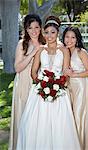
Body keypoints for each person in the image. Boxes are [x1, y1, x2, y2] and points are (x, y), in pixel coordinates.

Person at [16, 16, 81, 150]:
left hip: (59, 92)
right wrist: (40, 84)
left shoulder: (64, 50)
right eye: (47, 32)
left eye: (53, 32)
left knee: (59, 126)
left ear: (57, 33)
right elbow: (34, 71)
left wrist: (58, 85)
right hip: (40, 92)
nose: (49, 35)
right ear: (43, 33)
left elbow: (65, 71)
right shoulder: (40, 49)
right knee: (34, 124)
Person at [9, 14, 45, 150]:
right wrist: (32, 53)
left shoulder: (46, 43)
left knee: (38, 119)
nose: (34, 31)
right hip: (24, 83)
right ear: (26, 29)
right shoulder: (22, 44)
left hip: (40, 84)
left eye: (36, 27)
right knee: (23, 117)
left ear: (40, 28)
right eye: (30, 28)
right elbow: (17, 68)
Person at [62, 26, 88, 150]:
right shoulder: (63, 52)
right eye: (67, 37)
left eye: (72, 37)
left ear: (77, 39)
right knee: (69, 117)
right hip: (68, 88)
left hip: (80, 88)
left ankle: (81, 146)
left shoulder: (81, 52)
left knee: (79, 116)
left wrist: (74, 74)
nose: (69, 40)